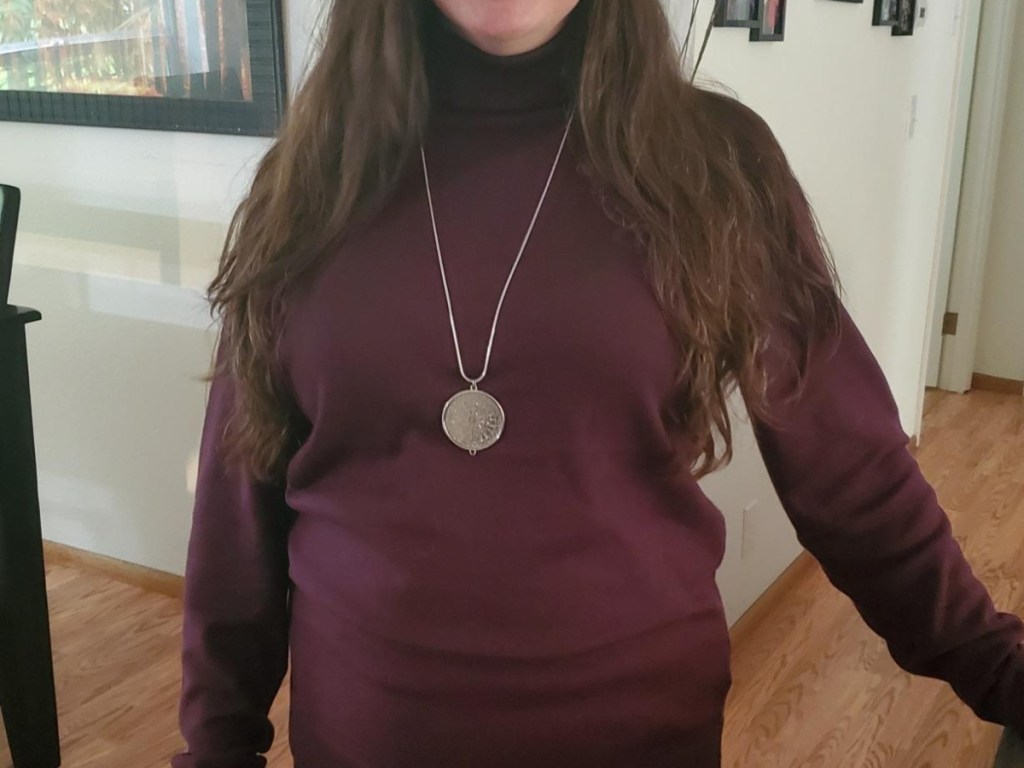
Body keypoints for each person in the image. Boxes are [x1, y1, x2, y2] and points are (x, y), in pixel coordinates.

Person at [171, 0, 1024, 766]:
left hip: (639, 734)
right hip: (364, 737)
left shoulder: (718, 166)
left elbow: (856, 475)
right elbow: (239, 501)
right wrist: (215, 746)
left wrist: (998, 667)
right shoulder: (310, 179)